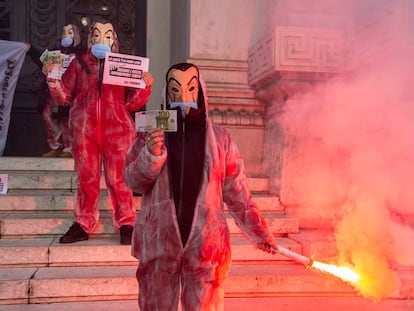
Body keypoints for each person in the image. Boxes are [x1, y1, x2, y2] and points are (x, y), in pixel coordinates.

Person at [123, 62, 278, 310]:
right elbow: (133, 181)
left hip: (206, 243)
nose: (183, 96)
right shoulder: (149, 134)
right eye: (175, 89)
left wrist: (259, 232)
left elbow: (238, 193)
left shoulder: (221, 139)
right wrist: (151, 155)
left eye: (190, 88)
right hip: (159, 239)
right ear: (166, 93)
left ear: (200, 91)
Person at [44, 20, 154, 245]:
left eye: (107, 34)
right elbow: (64, 96)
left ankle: (126, 223)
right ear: (89, 38)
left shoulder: (124, 64)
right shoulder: (77, 63)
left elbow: (133, 103)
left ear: (114, 39)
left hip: (118, 130)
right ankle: (84, 223)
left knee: (120, 180)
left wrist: (145, 87)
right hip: (85, 130)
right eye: (96, 34)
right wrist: (53, 78)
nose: (101, 38)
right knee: (87, 178)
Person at [40, 24, 86, 157]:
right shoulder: (55, 52)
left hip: (72, 91)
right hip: (54, 89)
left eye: (70, 32)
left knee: (66, 118)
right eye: (64, 32)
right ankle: (55, 145)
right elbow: (44, 65)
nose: (66, 35)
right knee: (48, 115)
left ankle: (69, 147)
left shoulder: (83, 54)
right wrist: (45, 70)